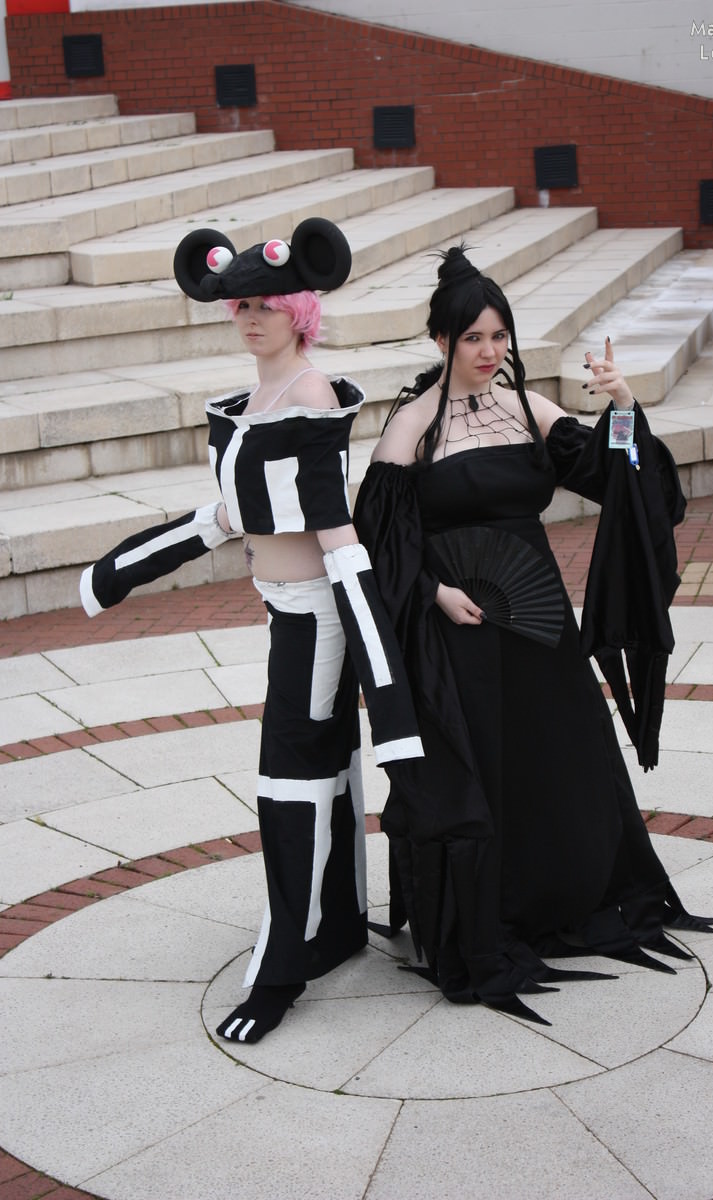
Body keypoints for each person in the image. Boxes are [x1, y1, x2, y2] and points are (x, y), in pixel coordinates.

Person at [353, 245, 713, 1023]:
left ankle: (564, 900)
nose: (488, 351)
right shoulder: (412, 426)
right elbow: (379, 542)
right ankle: (486, 916)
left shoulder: (528, 409)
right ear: (441, 340)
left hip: (537, 625)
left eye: (499, 336)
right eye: (473, 337)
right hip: (461, 631)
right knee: (482, 770)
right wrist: (434, 592)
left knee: (558, 757)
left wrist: (623, 406)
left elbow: (613, 474)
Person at [80, 218, 422, 1042]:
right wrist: (121, 570)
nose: (251, 316)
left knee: (288, 783)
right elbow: (230, 516)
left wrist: (389, 694)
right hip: (286, 613)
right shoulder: (256, 400)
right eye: (240, 304)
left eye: (268, 303)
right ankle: (333, 927)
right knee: (322, 769)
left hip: (317, 619)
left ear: (300, 309)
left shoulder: (308, 397)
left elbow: (336, 534)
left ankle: (282, 972)